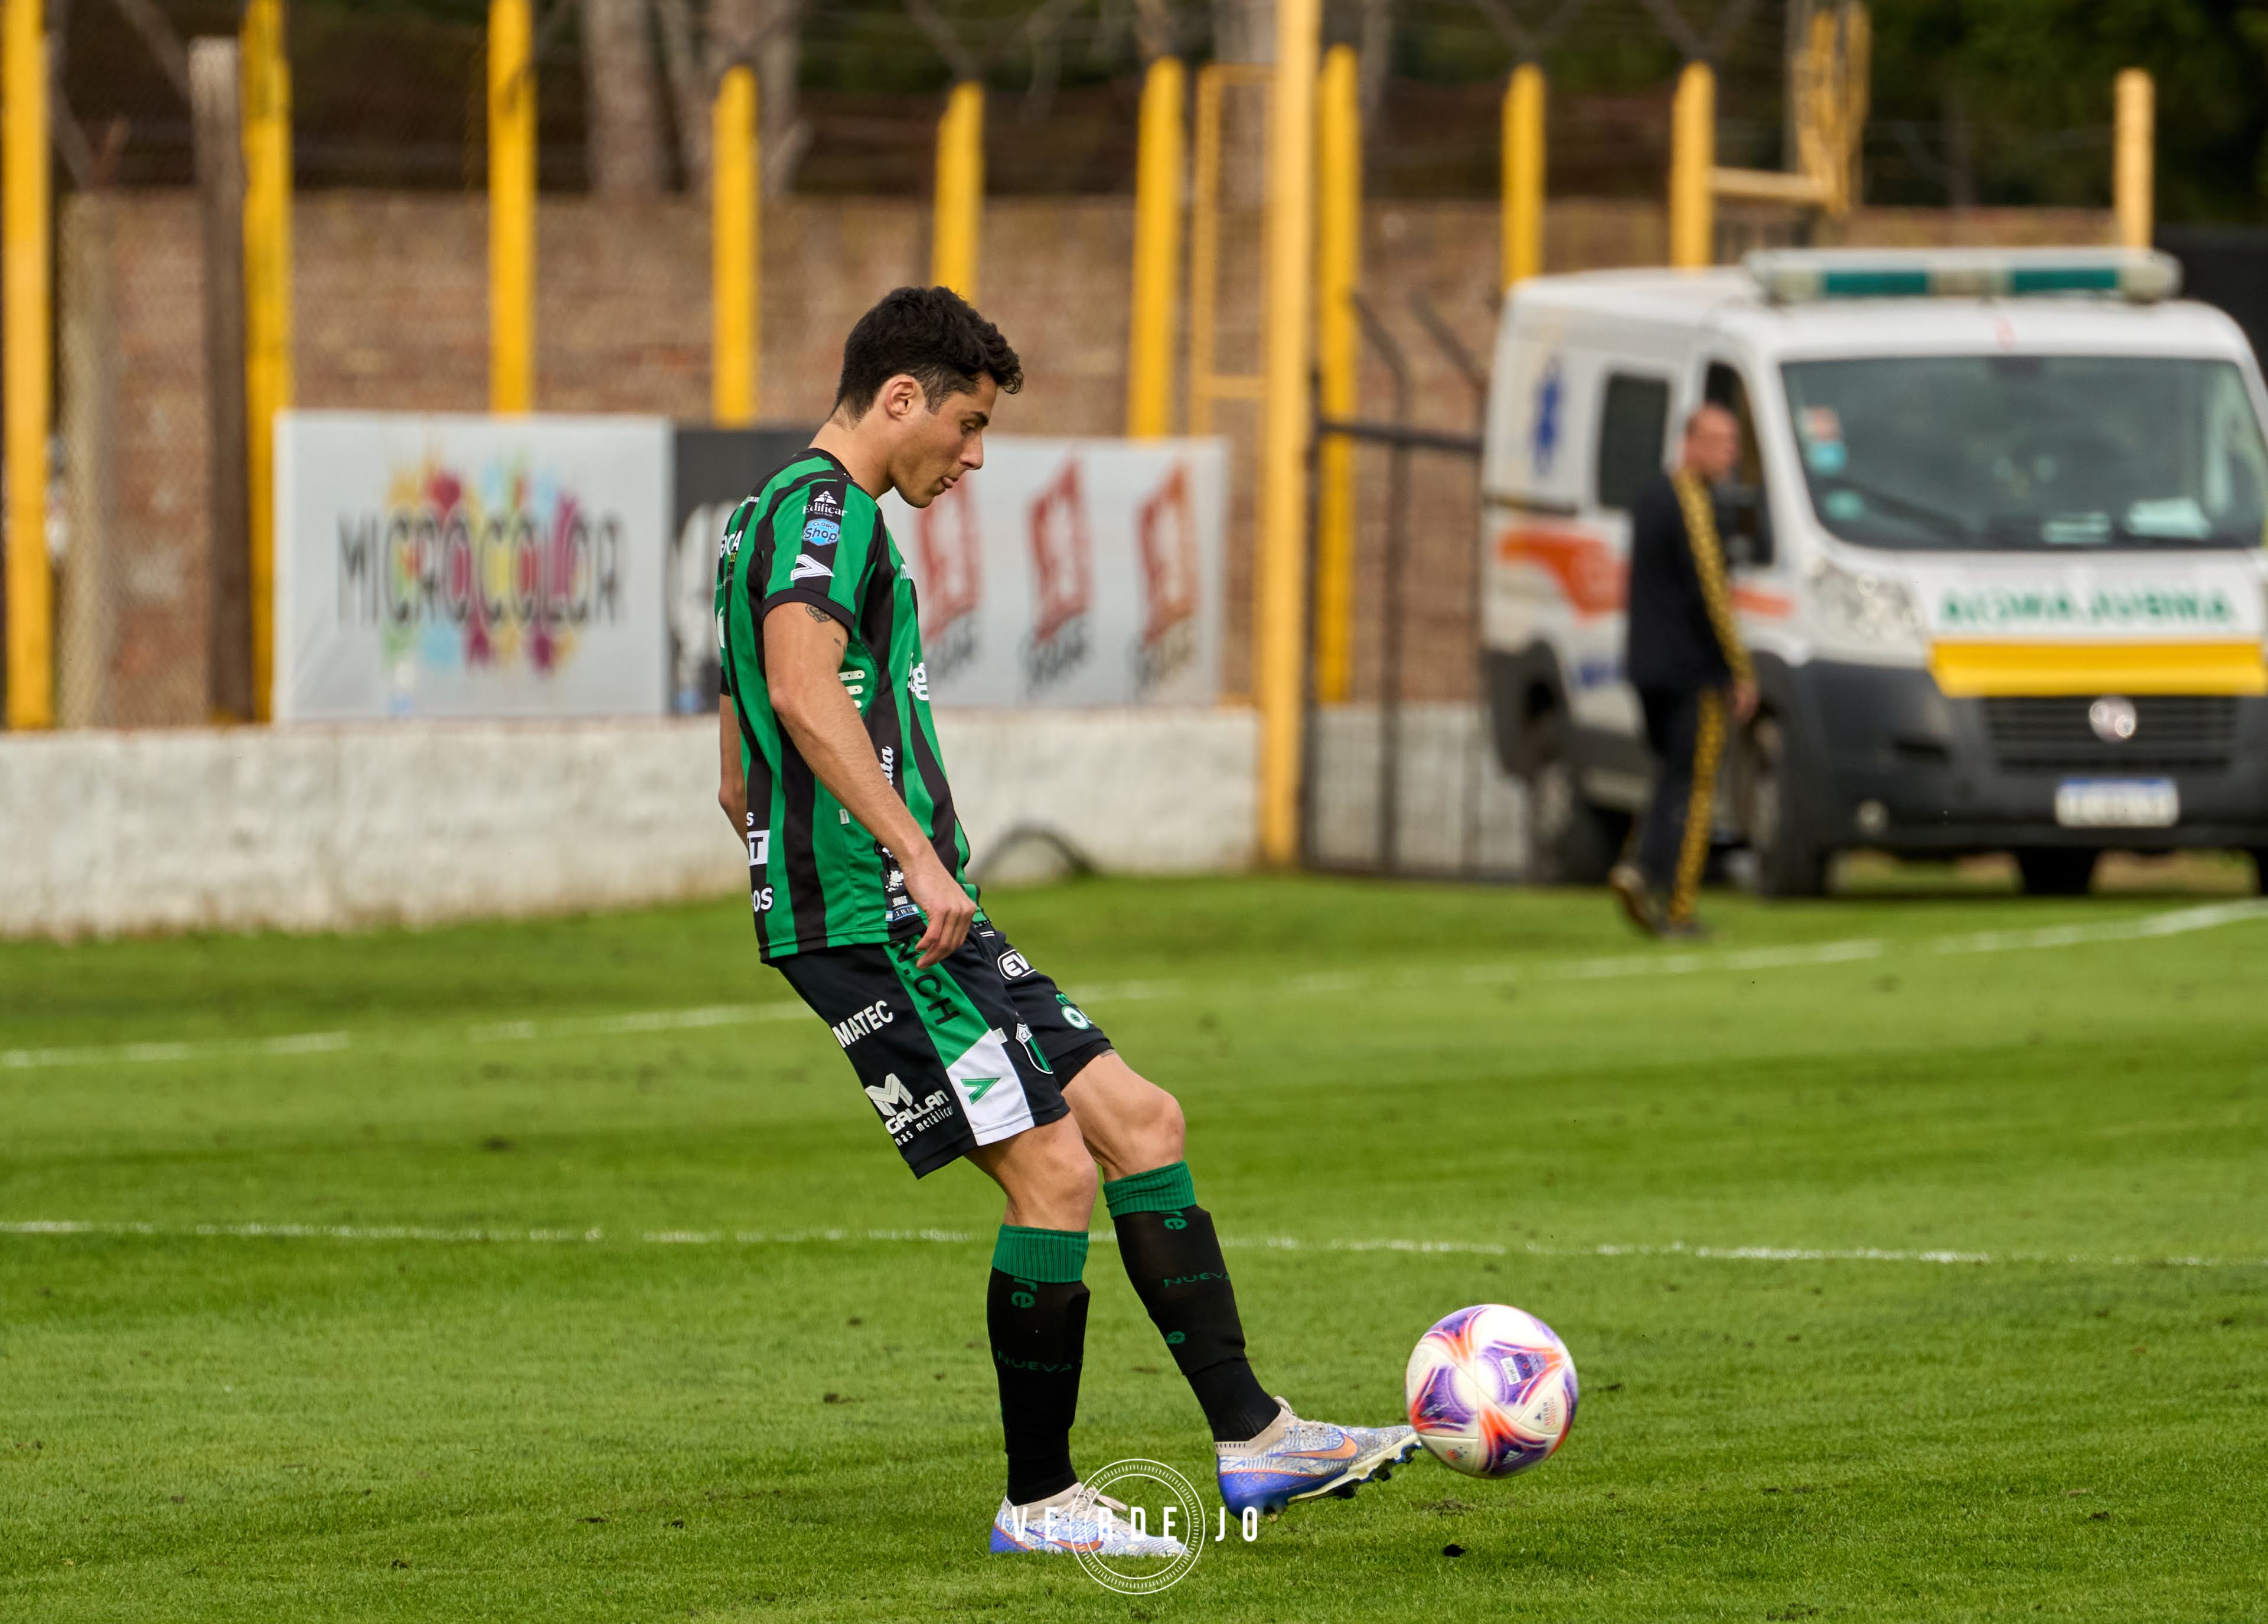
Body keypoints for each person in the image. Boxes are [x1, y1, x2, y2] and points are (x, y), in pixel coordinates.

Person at [713, 286, 1416, 1558]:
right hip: (887, 916)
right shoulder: (823, 515)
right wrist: (903, 858)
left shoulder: (766, 523)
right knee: (1051, 1175)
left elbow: (735, 770)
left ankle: (1254, 1439)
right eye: (968, 426)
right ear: (900, 398)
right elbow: (800, 691)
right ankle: (1038, 1502)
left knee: (1141, 1122)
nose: (973, 458)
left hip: (917, 910)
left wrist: (843, 864)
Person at [1610, 403, 1758, 939]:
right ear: (1690, 444)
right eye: (1719, 441)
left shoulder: (1647, 498)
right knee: (1694, 786)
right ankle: (1677, 907)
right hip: (1688, 672)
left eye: (1732, 442)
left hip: (1645, 667)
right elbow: (1710, 594)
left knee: (1670, 780)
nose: (1730, 454)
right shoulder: (1693, 502)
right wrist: (1736, 669)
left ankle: (1637, 867)